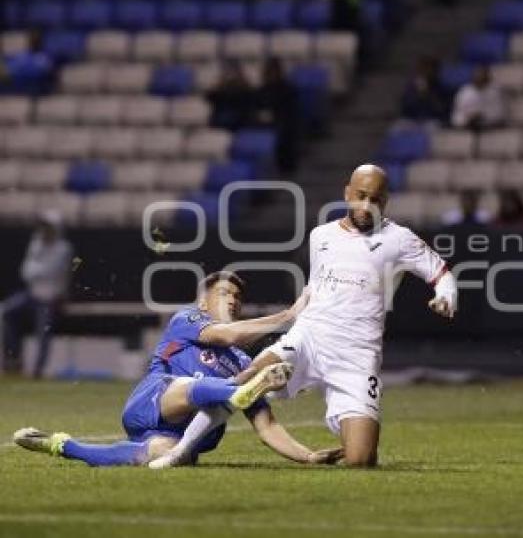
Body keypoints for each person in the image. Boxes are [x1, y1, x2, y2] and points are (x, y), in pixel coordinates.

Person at [148, 165, 458, 469]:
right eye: (361, 196)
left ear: (385, 200)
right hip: (310, 335)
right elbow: (318, 285)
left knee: (360, 460)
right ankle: (181, 451)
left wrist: (446, 296)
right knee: (242, 381)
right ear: (347, 194)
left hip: (357, 353)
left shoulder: (400, 239)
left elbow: (441, 273)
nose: (366, 205)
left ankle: (343, 419)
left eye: (375, 199)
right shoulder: (321, 235)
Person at [13, 271, 343, 468]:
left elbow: (266, 426)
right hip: (154, 402)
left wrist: (308, 456)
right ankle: (236, 391)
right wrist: (288, 316)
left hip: (181, 435)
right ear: (203, 303)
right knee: (194, 384)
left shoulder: (243, 360)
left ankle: (62, 445)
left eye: (237, 297)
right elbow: (227, 334)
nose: (233, 300)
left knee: (159, 456)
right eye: (224, 293)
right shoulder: (188, 319)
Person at [2, 210, 72, 378]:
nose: (45, 231)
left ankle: (37, 371)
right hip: (32, 295)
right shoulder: (36, 243)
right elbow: (25, 272)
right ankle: (13, 361)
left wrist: (37, 269)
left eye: (48, 227)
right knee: (6, 312)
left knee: (43, 330)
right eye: (43, 227)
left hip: (50, 299)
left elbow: (51, 270)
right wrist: (38, 269)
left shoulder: (63, 248)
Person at [255, 58, 299, 173]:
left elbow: (291, 112)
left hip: (283, 123)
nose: (271, 75)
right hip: (263, 123)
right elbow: (256, 108)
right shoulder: (261, 90)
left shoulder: (288, 90)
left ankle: (283, 165)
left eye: (274, 71)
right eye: (269, 72)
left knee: (284, 131)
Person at [398, 56, 450, 131]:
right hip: (412, 120)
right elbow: (405, 108)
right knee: (397, 129)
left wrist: (428, 94)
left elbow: (442, 110)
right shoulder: (412, 87)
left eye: (429, 68)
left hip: (431, 121)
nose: (426, 72)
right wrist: (417, 94)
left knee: (432, 127)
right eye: (423, 68)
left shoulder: (441, 88)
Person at [206, 60, 256, 131]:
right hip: (221, 124)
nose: (232, 75)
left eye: (234, 72)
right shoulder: (219, 91)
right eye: (229, 72)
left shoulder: (247, 90)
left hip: (242, 123)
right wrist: (220, 84)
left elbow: (250, 101)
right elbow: (210, 97)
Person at [451, 66, 504, 131]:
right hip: (466, 128)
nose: (479, 78)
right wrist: (468, 118)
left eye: (482, 76)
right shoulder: (464, 92)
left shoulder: (495, 92)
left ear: (487, 77)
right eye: (477, 76)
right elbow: (456, 116)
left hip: (491, 129)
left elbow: (499, 114)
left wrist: (482, 116)